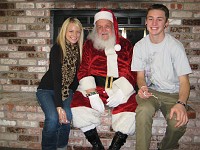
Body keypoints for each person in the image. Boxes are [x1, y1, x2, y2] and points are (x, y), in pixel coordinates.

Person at [71, 8, 137, 150]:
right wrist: (92, 94)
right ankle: (97, 145)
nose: (103, 30)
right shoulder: (89, 45)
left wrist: (122, 92)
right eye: (99, 27)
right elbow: (82, 70)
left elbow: (133, 71)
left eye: (107, 26)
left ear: (113, 27)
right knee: (78, 106)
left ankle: (115, 146)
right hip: (93, 87)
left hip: (118, 88)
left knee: (131, 109)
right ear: (96, 29)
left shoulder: (126, 45)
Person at [131, 4, 192, 150]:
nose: (154, 23)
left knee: (178, 123)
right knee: (143, 111)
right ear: (145, 22)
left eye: (159, 19)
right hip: (150, 93)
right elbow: (140, 76)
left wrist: (181, 104)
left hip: (172, 94)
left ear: (166, 23)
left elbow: (184, 81)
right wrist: (142, 87)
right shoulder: (139, 46)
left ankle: (164, 147)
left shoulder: (175, 47)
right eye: (150, 19)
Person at [36, 17, 84, 150]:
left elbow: (76, 77)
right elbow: (57, 79)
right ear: (64, 31)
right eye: (71, 31)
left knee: (67, 115)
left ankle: (61, 147)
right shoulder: (57, 49)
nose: (74, 35)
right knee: (52, 118)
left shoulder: (79, 50)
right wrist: (58, 106)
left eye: (78, 32)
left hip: (66, 90)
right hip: (46, 90)